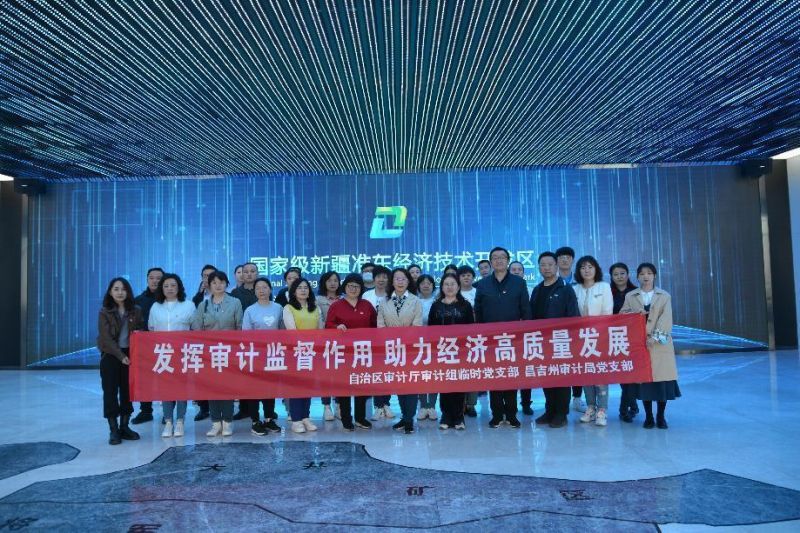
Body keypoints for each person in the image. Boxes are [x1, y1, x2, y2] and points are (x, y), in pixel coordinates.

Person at [474, 247, 532, 429]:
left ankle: (512, 414)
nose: (499, 260)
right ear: (491, 262)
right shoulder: (482, 284)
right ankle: (497, 414)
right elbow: (478, 311)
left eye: (502, 257)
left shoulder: (518, 283)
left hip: (513, 339)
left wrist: (525, 334)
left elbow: (525, 310)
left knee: (511, 375)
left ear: (508, 260)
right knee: (495, 376)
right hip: (490, 340)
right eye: (495, 258)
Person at [621, 263, 681, 429]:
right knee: (644, 384)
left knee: (661, 384)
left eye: (649, 273)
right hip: (639, 345)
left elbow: (666, 320)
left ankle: (661, 416)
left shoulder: (664, 296)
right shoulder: (631, 296)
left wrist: (654, 338)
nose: (645, 276)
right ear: (637, 277)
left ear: (654, 276)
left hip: (660, 345)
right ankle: (648, 417)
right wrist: (635, 314)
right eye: (641, 274)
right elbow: (622, 316)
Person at [530, 252, 580, 428]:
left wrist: (571, 339)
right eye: (543, 265)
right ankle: (550, 410)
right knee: (547, 377)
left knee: (561, 378)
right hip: (541, 341)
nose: (546, 268)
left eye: (550, 264)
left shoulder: (565, 288)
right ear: (539, 268)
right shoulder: (537, 290)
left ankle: (561, 413)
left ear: (556, 266)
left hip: (561, 341)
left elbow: (574, 316)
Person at [191, 271, 243, 437]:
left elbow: (240, 327)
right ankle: (215, 423)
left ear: (226, 284)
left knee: (227, 388)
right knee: (212, 388)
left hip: (229, 352)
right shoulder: (203, 305)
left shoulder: (235, 302)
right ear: (209, 285)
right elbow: (197, 328)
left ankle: (227, 422)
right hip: (209, 354)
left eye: (221, 282)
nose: (218, 285)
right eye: (214, 282)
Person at [325, 273, 378, 431]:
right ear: (345, 287)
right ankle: (346, 419)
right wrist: (336, 327)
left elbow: (375, 326)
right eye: (350, 285)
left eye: (357, 286)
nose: (353, 289)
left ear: (361, 288)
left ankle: (360, 418)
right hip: (343, 353)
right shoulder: (336, 305)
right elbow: (328, 325)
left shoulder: (366, 305)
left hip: (363, 353)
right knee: (344, 386)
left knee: (361, 384)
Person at [97, 277, 144, 445]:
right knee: (110, 392)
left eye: (123, 289)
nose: (120, 292)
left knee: (127, 391)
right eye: (116, 289)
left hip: (130, 355)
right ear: (110, 292)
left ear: (128, 292)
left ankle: (125, 426)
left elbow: (140, 331)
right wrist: (120, 356)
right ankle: (113, 429)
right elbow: (106, 338)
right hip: (110, 355)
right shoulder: (105, 312)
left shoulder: (136, 310)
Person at [148, 273, 195, 438]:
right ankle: (168, 421)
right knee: (165, 389)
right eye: (166, 286)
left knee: (181, 389)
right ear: (161, 288)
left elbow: (195, 329)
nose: (170, 289)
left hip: (182, 353)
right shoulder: (156, 307)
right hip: (163, 354)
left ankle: (180, 421)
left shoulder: (188, 305)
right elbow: (151, 329)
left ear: (179, 287)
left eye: (173, 285)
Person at [378, 268, 423, 434]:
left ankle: (409, 419)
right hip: (391, 349)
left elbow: (417, 325)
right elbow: (380, 325)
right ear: (392, 281)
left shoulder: (415, 301)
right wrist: (392, 341)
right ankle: (405, 416)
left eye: (403, 278)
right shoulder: (384, 301)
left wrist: (404, 340)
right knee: (399, 384)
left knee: (410, 385)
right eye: (397, 278)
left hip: (410, 350)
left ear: (408, 281)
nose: (400, 281)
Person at [428, 273, 475, 430]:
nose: (449, 287)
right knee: (445, 384)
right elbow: (430, 330)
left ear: (458, 287)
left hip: (460, 352)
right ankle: (446, 416)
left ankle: (459, 417)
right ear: (441, 287)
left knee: (459, 384)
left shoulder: (465, 305)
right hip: (442, 351)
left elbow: (471, 329)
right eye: (446, 284)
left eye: (453, 284)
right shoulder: (436, 306)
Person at [572, 256, 614, 427]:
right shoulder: (575, 289)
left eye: (590, 267)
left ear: (596, 269)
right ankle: (590, 407)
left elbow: (607, 312)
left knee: (600, 373)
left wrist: (598, 332)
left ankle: (602, 409)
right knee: (586, 373)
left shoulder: (604, 287)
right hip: (581, 338)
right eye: (583, 267)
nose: (586, 270)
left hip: (600, 337)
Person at [241, 277, 283, 435]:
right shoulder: (250, 310)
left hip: (273, 354)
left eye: (265, 287)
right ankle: (255, 420)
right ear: (254, 291)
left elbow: (283, 330)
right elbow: (246, 334)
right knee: (255, 388)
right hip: (256, 355)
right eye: (258, 288)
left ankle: (269, 418)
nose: (261, 290)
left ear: (270, 289)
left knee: (270, 388)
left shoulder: (278, 308)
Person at [282, 278, 323, 433]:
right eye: (299, 288)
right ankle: (296, 419)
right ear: (293, 291)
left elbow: (320, 330)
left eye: (306, 287)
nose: (303, 290)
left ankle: (306, 416)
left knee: (308, 386)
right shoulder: (288, 308)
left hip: (312, 352)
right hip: (296, 352)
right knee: (296, 386)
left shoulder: (315, 308)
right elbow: (292, 331)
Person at [131, 267, 164, 425]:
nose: (155, 281)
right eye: (152, 278)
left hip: (165, 346)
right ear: (147, 279)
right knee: (144, 380)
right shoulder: (138, 300)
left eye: (159, 278)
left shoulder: (168, 299)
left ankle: (168, 413)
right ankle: (145, 411)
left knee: (167, 379)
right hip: (144, 347)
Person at [555, 246, 585, 412]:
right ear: (556, 261)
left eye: (568, 257)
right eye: (561, 257)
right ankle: (560, 401)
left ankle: (577, 398)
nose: (564, 260)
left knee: (578, 365)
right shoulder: (551, 281)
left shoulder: (582, 283)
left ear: (572, 260)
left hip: (578, 330)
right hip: (557, 333)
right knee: (561, 366)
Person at [230, 262, 260, 420]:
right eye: (246, 271)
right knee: (243, 375)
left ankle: (264, 409)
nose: (249, 274)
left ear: (257, 273)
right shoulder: (235, 293)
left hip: (261, 341)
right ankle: (243, 409)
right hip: (241, 340)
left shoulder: (262, 289)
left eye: (252, 271)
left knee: (260, 375)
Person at [610, 262, 639, 422]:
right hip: (615, 338)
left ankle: (624, 409)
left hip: (634, 338)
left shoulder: (636, 293)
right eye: (616, 274)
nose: (619, 277)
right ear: (611, 277)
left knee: (631, 375)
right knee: (623, 374)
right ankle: (632, 405)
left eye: (622, 273)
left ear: (628, 275)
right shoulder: (608, 293)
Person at [190, 264, 217, 422]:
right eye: (205, 276)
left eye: (211, 275)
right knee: (201, 377)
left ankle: (218, 407)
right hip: (200, 343)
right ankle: (203, 408)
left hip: (218, 343)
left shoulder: (226, 297)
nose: (208, 278)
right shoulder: (197, 298)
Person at [316, 270, 343, 422]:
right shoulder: (318, 300)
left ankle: (339, 405)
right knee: (325, 375)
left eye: (335, 280)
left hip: (341, 343)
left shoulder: (344, 299)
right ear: (324, 283)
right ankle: (326, 406)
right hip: (324, 343)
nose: (333, 283)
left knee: (339, 375)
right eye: (329, 280)